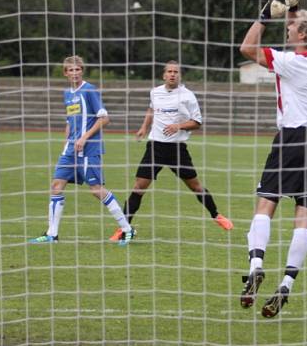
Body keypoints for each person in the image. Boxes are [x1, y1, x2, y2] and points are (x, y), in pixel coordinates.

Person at [238, 0, 307, 318]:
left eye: (292, 27)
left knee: (266, 202)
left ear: (304, 33)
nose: (287, 28)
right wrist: (295, 6)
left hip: (292, 136)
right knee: (304, 213)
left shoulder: (291, 61)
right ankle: (287, 285)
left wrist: (264, 16)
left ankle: (256, 264)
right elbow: (303, 24)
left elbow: (246, 47)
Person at [109, 60, 232, 242]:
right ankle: (124, 228)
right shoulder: (155, 92)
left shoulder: (188, 96)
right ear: (164, 75)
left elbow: (197, 122)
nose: (172, 74)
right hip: (155, 147)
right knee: (138, 187)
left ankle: (216, 215)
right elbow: (151, 109)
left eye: (176, 72)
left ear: (179, 75)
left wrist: (179, 126)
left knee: (195, 186)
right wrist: (144, 127)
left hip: (177, 149)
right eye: (169, 71)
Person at [29, 56, 133, 245]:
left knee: (96, 190)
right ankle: (52, 234)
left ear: (82, 71)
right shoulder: (67, 93)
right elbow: (70, 121)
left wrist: (84, 138)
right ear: (65, 73)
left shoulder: (89, 90)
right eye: (71, 70)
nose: (75, 73)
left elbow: (104, 118)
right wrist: (66, 143)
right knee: (56, 185)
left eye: (78, 69)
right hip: (71, 149)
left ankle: (127, 229)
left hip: (89, 148)